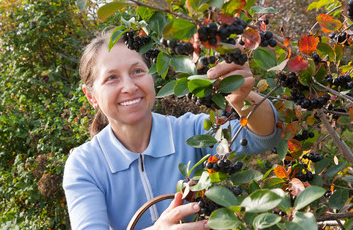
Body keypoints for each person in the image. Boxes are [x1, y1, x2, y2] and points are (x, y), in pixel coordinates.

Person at [62, 29, 282, 230]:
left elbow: (262, 137)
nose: (129, 87)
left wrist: (242, 97)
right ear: (91, 96)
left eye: (137, 71)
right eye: (111, 78)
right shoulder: (85, 165)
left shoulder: (190, 131)